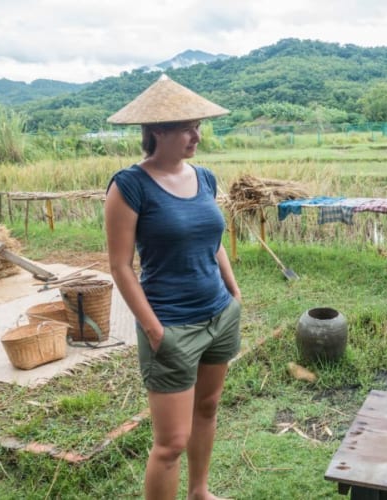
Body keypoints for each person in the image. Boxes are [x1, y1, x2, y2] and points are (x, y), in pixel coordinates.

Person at [105, 75, 240, 500]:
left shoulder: (206, 178)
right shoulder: (129, 186)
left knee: (208, 407)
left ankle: (199, 491)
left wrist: (234, 293)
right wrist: (152, 328)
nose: (196, 136)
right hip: (171, 326)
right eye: (186, 128)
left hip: (219, 314)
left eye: (198, 126)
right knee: (170, 444)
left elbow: (213, 240)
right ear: (157, 131)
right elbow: (120, 266)